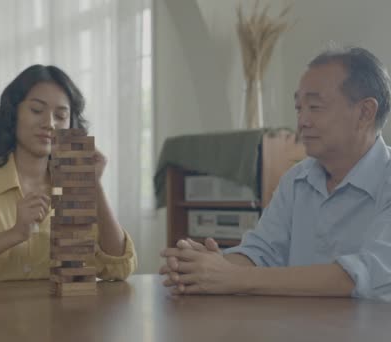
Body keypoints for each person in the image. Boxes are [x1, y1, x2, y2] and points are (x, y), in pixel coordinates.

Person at [160, 46, 391, 301]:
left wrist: (232, 277)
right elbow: (261, 252)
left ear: (365, 112)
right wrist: (203, 265)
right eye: (298, 108)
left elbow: (365, 275)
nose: (302, 121)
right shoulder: (296, 179)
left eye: (314, 107)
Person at [0, 64, 137, 283]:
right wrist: (15, 234)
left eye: (61, 115)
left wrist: (95, 185)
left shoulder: (72, 185)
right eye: (36, 110)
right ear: (13, 113)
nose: (49, 124)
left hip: (59, 316)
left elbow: (118, 268)